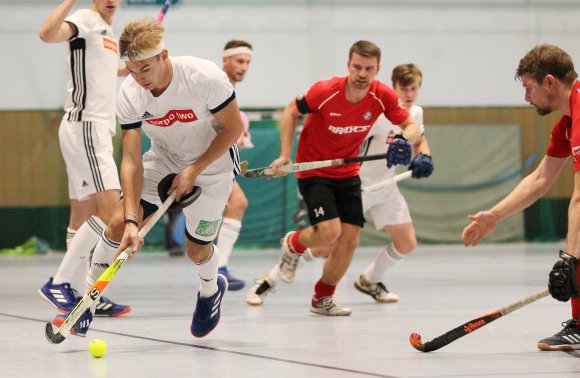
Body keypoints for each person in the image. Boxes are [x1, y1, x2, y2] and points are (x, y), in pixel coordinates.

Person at [50, 17, 243, 338]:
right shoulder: (130, 94)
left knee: (196, 249)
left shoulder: (203, 76)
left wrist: (194, 170)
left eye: (146, 69)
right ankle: (87, 304)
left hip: (213, 165)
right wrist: (129, 220)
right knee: (114, 224)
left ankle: (210, 290)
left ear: (163, 56)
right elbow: (131, 159)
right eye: (132, 69)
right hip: (165, 159)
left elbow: (233, 129)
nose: (139, 78)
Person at [248, 40, 427, 316]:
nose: (362, 74)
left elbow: (412, 127)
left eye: (368, 68)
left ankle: (322, 299)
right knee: (329, 234)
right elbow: (291, 110)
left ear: (377, 69)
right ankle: (293, 243)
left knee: (350, 240)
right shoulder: (326, 91)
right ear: (348, 66)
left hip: (348, 173)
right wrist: (285, 154)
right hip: (314, 169)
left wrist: (405, 138)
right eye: (357, 67)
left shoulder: (382, 97)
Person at [462, 43, 580, 351]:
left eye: (529, 88)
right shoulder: (567, 125)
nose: (526, 97)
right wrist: (495, 215)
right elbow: (541, 179)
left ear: (549, 82)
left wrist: (570, 260)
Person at [37, 0, 130, 317]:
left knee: (83, 214)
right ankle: (60, 282)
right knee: (113, 213)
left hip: (93, 129)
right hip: (86, 127)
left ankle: (78, 293)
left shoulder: (108, 32)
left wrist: (127, 69)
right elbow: (47, 34)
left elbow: (100, 70)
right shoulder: (85, 19)